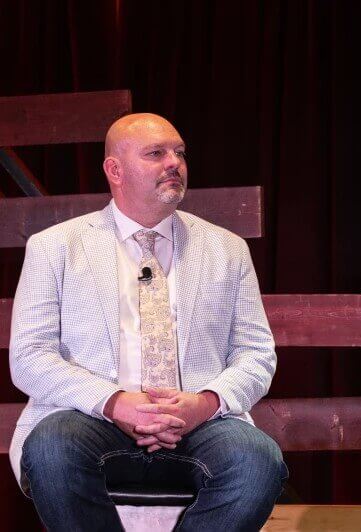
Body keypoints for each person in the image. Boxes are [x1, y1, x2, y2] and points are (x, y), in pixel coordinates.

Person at [9, 113, 286, 531]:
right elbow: (30, 356)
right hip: (91, 417)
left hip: (197, 424)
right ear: (114, 170)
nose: (173, 162)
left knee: (257, 462)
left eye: (179, 153)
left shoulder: (227, 249)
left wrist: (205, 403)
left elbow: (256, 354)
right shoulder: (55, 247)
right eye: (156, 153)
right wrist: (116, 402)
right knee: (51, 449)